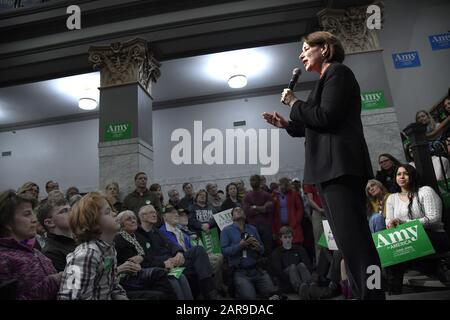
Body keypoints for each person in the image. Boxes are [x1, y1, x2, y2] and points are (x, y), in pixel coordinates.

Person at [262, 31, 384, 299]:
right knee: (345, 242)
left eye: (307, 48)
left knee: (357, 242)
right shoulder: (322, 82)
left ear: (325, 48)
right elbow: (316, 126)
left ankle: (373, 295)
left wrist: (294, 102)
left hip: (341, 167)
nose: (301, 53)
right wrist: (288, 124)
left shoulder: (338, 73)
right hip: (329, 170)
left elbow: (326, 117)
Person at [385, 164, 450, 293]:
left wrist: (404, 223)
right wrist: (391, 224)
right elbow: (388, 221)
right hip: (408, 238)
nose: (402, 177)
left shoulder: (425, 191)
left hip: (433, 235)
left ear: (412, 175)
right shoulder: (391, 198)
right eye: (398, 174)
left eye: (405, 173)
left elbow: (433, 218)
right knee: (391, 249)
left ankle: (395, 291)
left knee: (398, 250)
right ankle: (395, 290)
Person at [136, 205, 217, 299]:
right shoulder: (139, 235)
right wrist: (167, 260)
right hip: (163, 265)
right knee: (198, 266)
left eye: (154, 212)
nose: (154, 215)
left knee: (198, 250)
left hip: (175, 260)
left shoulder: (156, 231)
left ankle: (210, 293)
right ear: (142, 217)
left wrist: (179, 252)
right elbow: (147, 257)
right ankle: (210, 294)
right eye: (151, 213)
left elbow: (172, 245)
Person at [58, 192, 128, 300]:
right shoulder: (86, 255)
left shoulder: (109, 249)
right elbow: (73, 297)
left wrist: (121, 296)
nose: (115, 213)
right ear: (93, 223)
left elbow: (112, 285)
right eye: (108, 212)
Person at [0, 190, 61, 299]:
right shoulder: (3, 259)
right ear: (8, 223)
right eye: (27, 214)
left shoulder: (34, 251)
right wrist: (53, 282)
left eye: (33, 213)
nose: (34, 219)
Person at [160, 205, 224, 296]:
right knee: (202, 254)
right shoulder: (162, 232)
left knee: (216, 257)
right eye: (172, 213)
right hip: (177, 261)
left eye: (176, 213)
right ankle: (210, 291)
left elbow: (190, 248)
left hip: (188, 258)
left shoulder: (179, 231)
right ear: (164, 217)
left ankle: (210, 291)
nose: (176, 215)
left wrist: (204, 254)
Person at [113, 210, 178, 299]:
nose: (133, 221)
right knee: (160, 274)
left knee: (180, 277)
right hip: (130, 276)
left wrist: (143, 257)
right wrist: (162, 264)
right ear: (121, 224)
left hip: (145, 269)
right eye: (128, 219)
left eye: (134, 218)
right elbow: (135, 263)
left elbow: (149, 255)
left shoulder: (139, 237)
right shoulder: (119, 240)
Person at [220, 207, 277, 300]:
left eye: (241, 210)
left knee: (273, 294)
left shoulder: (252, 228)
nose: (239, 211)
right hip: (240, 272)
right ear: (232, 217)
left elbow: (262, 249)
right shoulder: (226, 231)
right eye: (236, 210)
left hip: (257, 270)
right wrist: (240, 245)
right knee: (249, 297)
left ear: (245, 216)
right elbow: (224, 251)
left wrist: (258, 247)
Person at [37, 190, 76, 272]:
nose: (72, 213)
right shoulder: (51, 253)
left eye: (70, 209)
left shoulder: (79, 239)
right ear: (49, 222)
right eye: (64, 211)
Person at [270, 226, 314, 299]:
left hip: (301, 276)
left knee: (301, 265)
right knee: (292, 267)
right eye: (285, 237)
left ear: (292, 237)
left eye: (289, 237)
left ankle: (309, 286)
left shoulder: (299, 249)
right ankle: (300, 288)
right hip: (287, 279)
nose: (288, 239)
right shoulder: (277, 252)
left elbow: (308, 264)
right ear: (281, 238)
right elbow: (278, 271)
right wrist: (291, 278)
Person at [243, 175, 274, 256]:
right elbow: (247, 212)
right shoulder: (247, 196)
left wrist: (254, 207)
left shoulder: (267, 195)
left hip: (266, 227)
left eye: (254, 180)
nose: (252, 182)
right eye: (251, 180)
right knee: (254, 249)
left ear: (259, 182)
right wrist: (262, 208)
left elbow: (269, 209)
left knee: (268, 250)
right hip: (253, 228)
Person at [272, 177, 304, 245]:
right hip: (280, 225)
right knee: (282, 244)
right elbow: (273, 212)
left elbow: (300, 209)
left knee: (295, 243)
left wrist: (297, 220)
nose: (282, 188)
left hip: (293, 225)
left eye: (284, 186)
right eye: (281, 186)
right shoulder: (275, 195)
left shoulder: (294, 194)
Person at [303, 183, 325, 266]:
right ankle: (321, 267)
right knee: (319, 242)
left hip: (328, 212)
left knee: (330, 241)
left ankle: (332, 267)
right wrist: (319, 209)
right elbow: (310, 199)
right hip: (318, 214)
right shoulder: (310, 183)